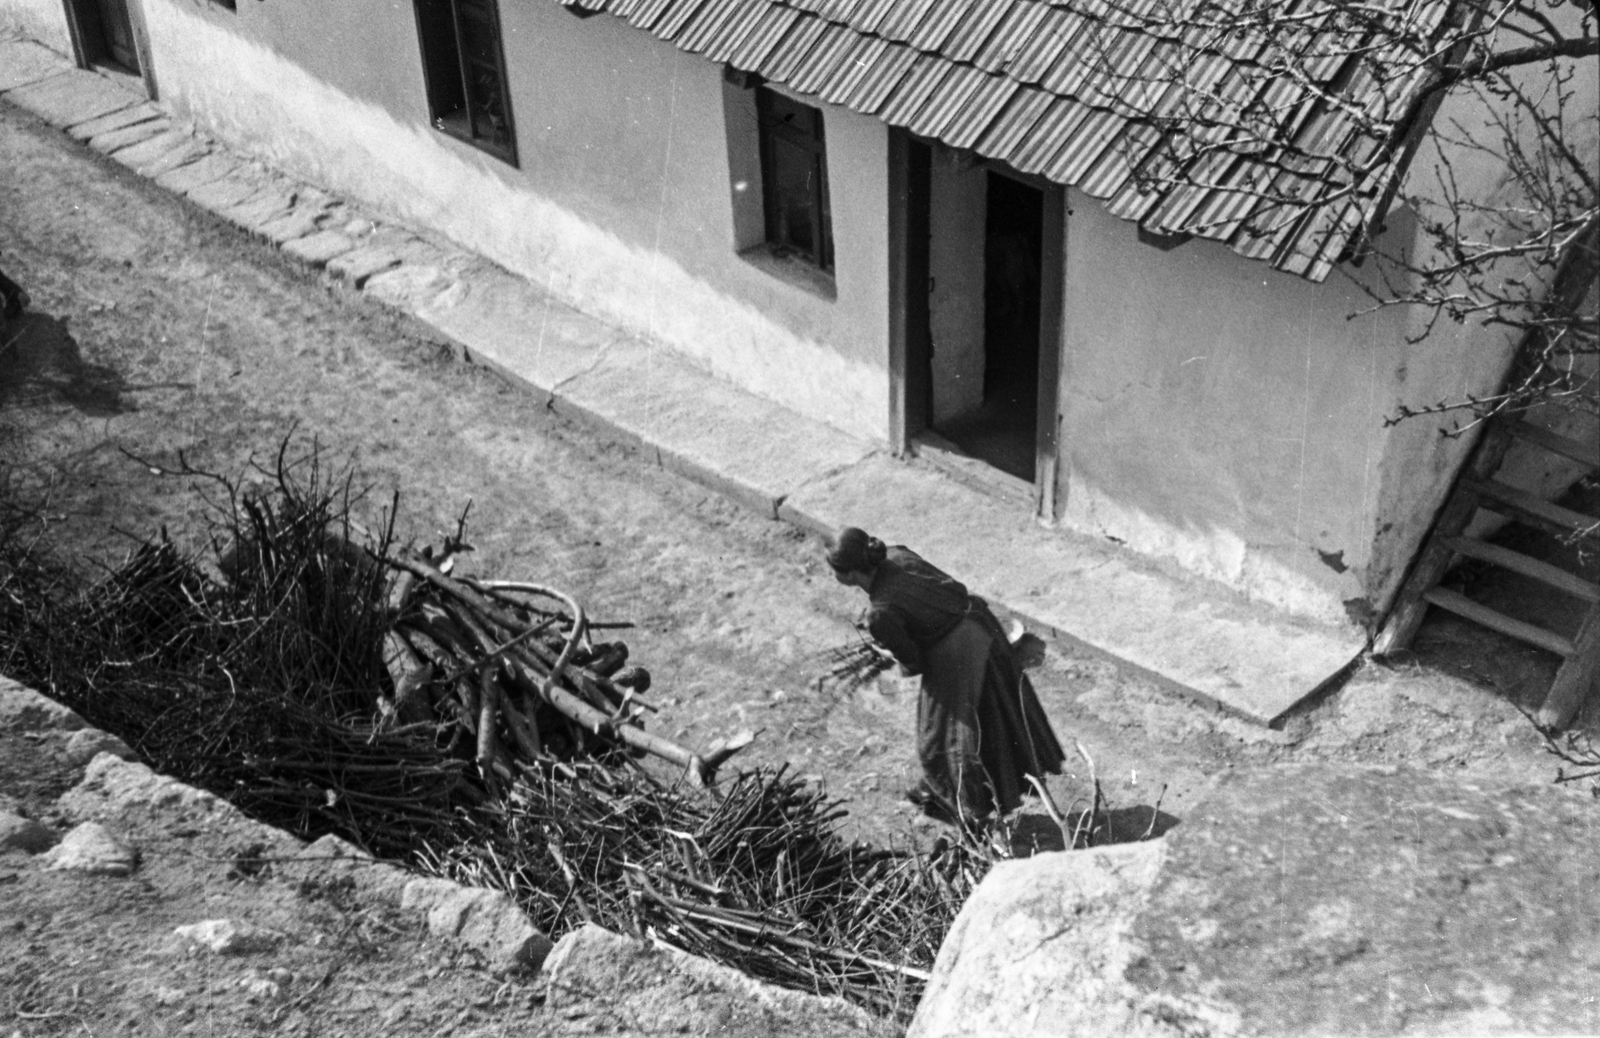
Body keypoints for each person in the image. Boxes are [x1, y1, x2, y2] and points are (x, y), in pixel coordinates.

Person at [826, 526, 1065, 826]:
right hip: (983, 627)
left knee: (941, 740)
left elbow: (913, 661)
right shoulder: (898, 554)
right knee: (992, 716)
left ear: (848, 575)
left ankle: (968, 809)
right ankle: (953, 792)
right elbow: (942, 590)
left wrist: (888, 651)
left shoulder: (881, 613)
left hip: (957, 658)